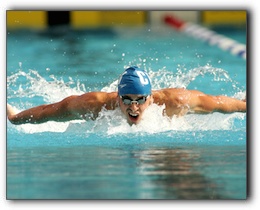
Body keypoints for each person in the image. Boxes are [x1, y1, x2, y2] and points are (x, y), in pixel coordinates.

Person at [7, 66, 246, 126]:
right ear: (117, 98)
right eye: (127, 99)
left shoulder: (175, 102)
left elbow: (219, 103)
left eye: (140, 99)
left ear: (150, 98)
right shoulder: (95, 105)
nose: (134, 107)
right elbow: (49, 111)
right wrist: (15, 117)